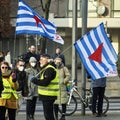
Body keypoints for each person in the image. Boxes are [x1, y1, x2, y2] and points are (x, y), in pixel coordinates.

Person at [30, 54, 59, 120]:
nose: (40, 61)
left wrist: (35, 81)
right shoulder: (47, 68)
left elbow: (45, 82)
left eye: (41, 59)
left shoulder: (49, 69)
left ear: (47, 60)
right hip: (47, 95)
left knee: (48, 116)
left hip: (48, 95)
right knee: (48, 115)